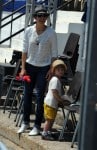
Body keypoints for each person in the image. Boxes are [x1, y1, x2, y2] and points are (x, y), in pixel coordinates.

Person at [17, 5, 58, 135]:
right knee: (27, 95)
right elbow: (24, 50)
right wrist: (23, 68)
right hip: (30, 65)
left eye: (44, 16)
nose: (42, 18)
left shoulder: (51, 33)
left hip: (44, 67)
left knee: (40, 96)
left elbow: (54, 53)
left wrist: (51, 69)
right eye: (39, 15)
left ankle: (36, 125)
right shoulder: (29, 31)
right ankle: (25, 122)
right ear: (34, 17)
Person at [41, 59, 70, 140]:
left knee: (52, 119)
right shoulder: (55, 80)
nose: (61, 71)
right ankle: (45, 133)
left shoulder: (56, 79)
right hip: (50, 103)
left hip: (52, 104)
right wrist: (60, 100)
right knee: (49, 120)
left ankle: (48, 132)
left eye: (62, 70)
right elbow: (54, 92)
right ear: (54, 71)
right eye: (58, 70)